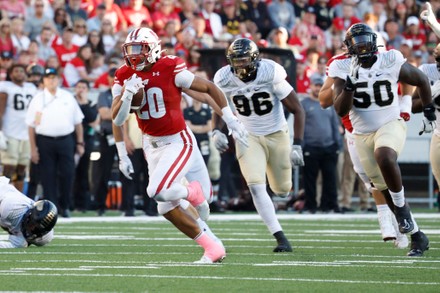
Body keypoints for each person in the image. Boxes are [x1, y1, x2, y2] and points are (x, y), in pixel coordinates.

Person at [111, 27, 248, 263]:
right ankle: (213, 247)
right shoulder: (124, 74)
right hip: (151, 145)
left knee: (160, 191)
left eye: (139, 49)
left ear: (152, 49)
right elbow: (118, 119)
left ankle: (192, 193)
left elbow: (209, 89)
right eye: (130, 49)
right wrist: (122, 153)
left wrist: (230, 119)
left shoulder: (169, 66)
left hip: (177, 140)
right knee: (165, 208)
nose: (134, 55)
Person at [331, 23, 431, 256]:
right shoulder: (341, 66)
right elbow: (339, 109)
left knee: (384, 155)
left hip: (390, 123)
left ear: (374, 40)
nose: (363, 45)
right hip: (361, 134)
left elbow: (422, 80)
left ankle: (403, 213)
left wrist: (428, 111)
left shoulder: (389, 59)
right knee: (381, 187)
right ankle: (417, 236)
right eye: (357, 42)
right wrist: (349, 86)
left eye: (366, 40)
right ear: (348, 47)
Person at [211, 38, 305, 252]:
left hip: (276, 133)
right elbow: (219, 104)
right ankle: (280, 237)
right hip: (247, 135)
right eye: (236, 61)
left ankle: (281, 194)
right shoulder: (224, 77)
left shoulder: (270, 72)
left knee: (282, 190)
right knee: (255, 185)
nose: (240, 65)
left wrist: (297, 144)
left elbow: (298, 109)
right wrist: (216, 130)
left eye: (244, 60)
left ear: (254, 59)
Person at [319, 52, 409, 249]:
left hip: (384, 123)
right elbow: (324, 100)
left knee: (386, 170)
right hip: (355, 130)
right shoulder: (340, 63)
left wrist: (406, 103)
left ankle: (395, 225)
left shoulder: (386, 58)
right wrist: (344, 80)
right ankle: (391, 220)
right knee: (371, 180)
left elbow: (409, 78)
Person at [25, 67, 85, 218]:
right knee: (47, 176)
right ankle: (52, 208)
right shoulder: (37, 99)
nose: (51, 80)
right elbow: (31, 126)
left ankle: (65, 205)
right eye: (48, 77)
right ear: (44, 80)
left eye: (54, 77)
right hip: (44, 141)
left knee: (68, 173)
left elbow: (78, 122)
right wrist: (33, 149)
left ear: (58, 79)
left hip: (66, 140)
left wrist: (80, 143)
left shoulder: (67, 97)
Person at [301, 74, 342, 213]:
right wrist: (301, 144)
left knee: (330, 178)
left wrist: (338, 143)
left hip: (329, 146)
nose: (318, 88)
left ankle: (329, 205)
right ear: (311, 86)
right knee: (309, 180)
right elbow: (300, 125)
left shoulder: (328, 103)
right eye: (316, 85)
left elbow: (335, 124)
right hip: (311, 147)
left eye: (320, 85)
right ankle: (310, 206)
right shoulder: (304, 104)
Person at [0, 64, 38, 191]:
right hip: (10, 132)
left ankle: (19, 199)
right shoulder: (6, 87)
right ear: (10, 74)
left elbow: (37, 110)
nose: (19, 73)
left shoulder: (31, 87)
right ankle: (4, 198)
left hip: (27, 134)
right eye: (16, 71)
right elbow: (0, 111)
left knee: (22, 169)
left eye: (22, 71)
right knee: (8, 168)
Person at [0, 176, 57, 248]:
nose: (32, 229)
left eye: (36, 229)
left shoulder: (45, 236)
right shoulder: (11, 208)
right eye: (32, 224)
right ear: (29, 215)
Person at [73, 79, 99, 212]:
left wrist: (83, 102)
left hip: (87, 142)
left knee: (84, 173)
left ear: (87, 90)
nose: (80, 89)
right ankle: (68, 203)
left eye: (83, 87)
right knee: (69, 173)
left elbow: (93, 119)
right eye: (78, 87)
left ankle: (82, 203)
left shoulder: (91, 103)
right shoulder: (70, 101)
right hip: (71, 141)